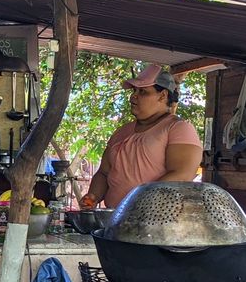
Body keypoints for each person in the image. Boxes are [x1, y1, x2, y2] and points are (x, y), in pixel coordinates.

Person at [80, 65, 202, 210]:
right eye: (134, 91)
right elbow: (103, 173)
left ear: (162, 95)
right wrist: (93, 196)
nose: (133, 96)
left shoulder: (178, 129)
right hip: (115, 220)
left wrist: (136, 204)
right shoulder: (121, 132)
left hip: (156, 223)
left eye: (143, 91)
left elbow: (181, 175)